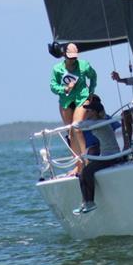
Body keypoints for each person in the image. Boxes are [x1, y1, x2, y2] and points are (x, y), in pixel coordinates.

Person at [50, 43, 97, 172]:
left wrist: (91, 92)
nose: (72, 60)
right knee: (70, 132)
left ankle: (86, 161)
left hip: (81, 98)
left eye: (74, 57)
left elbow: (93, 76)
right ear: (64, 55)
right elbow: (53, 86)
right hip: (66, 101)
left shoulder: (84, 65)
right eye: (70, 57)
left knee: (76, 127)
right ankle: (78, 166)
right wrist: (64, 88)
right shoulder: (57, 69)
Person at [72, 95, 121, 215]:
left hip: (112, 156)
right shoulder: (94, 122)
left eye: (88, 111)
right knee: (83, 173)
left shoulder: (99, 123)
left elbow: (77, 125)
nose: (86, 112)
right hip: (105, 155)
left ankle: (90, 202)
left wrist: (80, 119)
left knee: (87, 172)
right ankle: (85, 203)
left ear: (94, 112)